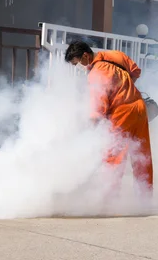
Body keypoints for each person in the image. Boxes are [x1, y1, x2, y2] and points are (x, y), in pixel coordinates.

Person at [64, 40, 153, 200]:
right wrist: (125, 87)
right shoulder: (116, 55)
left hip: (121, 113)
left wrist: (93, 127)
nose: (79, 68)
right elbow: (135, 71)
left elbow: (99, 105)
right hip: (139, 108)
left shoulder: (96, 73)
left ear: (85, 55)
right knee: (142, 155)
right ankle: (145, 199)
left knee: (113, 158)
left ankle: (109, 201)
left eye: (78, 63)